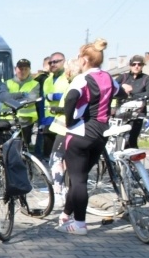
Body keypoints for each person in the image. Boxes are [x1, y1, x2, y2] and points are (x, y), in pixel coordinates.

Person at [57, 39, 128, 236]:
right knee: (80, 177)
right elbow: (121, 93)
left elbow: (71, 97)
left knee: (78, 180)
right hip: (101, 133)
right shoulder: (108, 77)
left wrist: (70, 120)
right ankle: (66, 214)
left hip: (81, 132)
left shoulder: (83, 78)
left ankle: (79, 224)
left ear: (84, 60)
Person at [47, 58, 81, 205]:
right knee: (68, 161)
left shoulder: (74, 84)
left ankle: (58, 193)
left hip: (65, 128)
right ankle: (67, 193)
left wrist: (57, 109)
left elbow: (71, 105)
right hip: (74, 129)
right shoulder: (79, 82)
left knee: (56, 159)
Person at [112, 55, 149, 149]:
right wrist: (122, 87)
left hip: (137, 115)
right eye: (134, 64)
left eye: (139, 64)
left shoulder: (147, 79)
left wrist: (131, 95)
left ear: (142, 65)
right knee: (117, 140)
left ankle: (133, 157)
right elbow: (111, 87)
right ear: (130, 65)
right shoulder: (123, 77)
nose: (136, 66)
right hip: (120, 114)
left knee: (131, 140)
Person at [0, 58, 40, 147]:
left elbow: (31, 100)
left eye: (26, 69)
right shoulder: (7, 83)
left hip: (25, 123)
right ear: (15, 69)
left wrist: (10, 98)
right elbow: (2, 97)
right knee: (5, 148)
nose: (23, 71)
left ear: (29, 70)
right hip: (7, 121)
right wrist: (21, 94)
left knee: (23, 149)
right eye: (20, 69)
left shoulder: (35, 84)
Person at [40, 52, 68, 159]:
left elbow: (72, 95)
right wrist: (42, 121)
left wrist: (56, 96)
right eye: (50, 62)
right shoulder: (47, 80)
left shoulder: (68, 77)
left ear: (63, 61)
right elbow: (45, 100)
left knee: (61, 154)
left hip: (63, 119)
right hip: (48, 120)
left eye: (56, 62)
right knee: (48, 155)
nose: (52, 64)